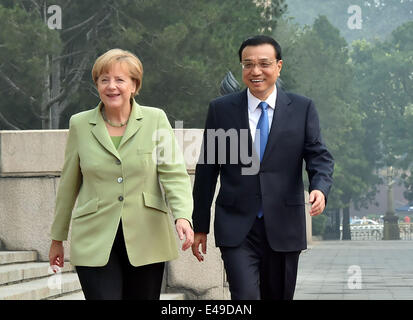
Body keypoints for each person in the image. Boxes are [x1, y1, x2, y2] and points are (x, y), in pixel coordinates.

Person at [191, 35, 334, 300]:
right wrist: (200, 225)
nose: (255, 71)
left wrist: (320, 188)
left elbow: (318, 156)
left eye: (264, 64)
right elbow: (208, 169)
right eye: (248, 64)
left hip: (284, 225)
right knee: (244, 296)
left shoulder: (302, 108)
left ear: (279, 66)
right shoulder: (221, 110)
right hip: (237, 226)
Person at [49, 49, 194, 300]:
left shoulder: (155, 119)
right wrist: (57, 238)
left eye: (119, 80)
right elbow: (69, 185)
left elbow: (173, 173)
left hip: (147, 237)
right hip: (94, 238)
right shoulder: (80, 124)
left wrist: (182, 216)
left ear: (134, 85)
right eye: (104, 80)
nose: (111, 86)